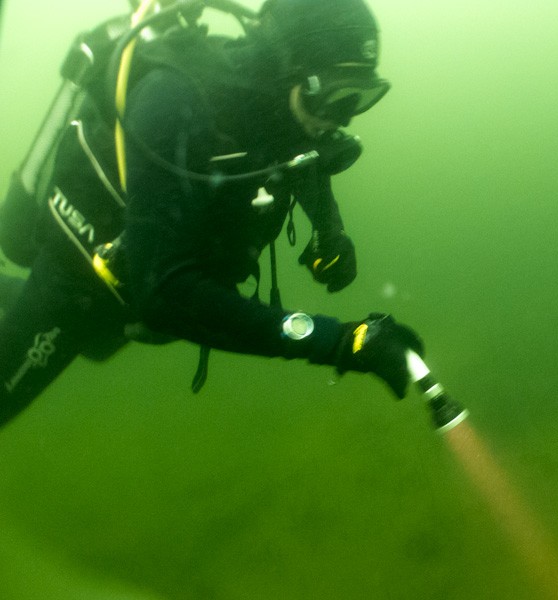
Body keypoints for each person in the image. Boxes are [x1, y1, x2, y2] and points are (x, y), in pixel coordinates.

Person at [0, 0, 424, 429]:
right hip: (78, 276)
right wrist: (340, 343)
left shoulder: (284, 108)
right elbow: (164, 293)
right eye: (334, 94)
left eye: (361, 96)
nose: (343, 117)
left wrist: (330, 232)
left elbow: (306, 159)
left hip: (131, 292)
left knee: (97, 344)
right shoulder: (175, 99)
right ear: (289, 65)